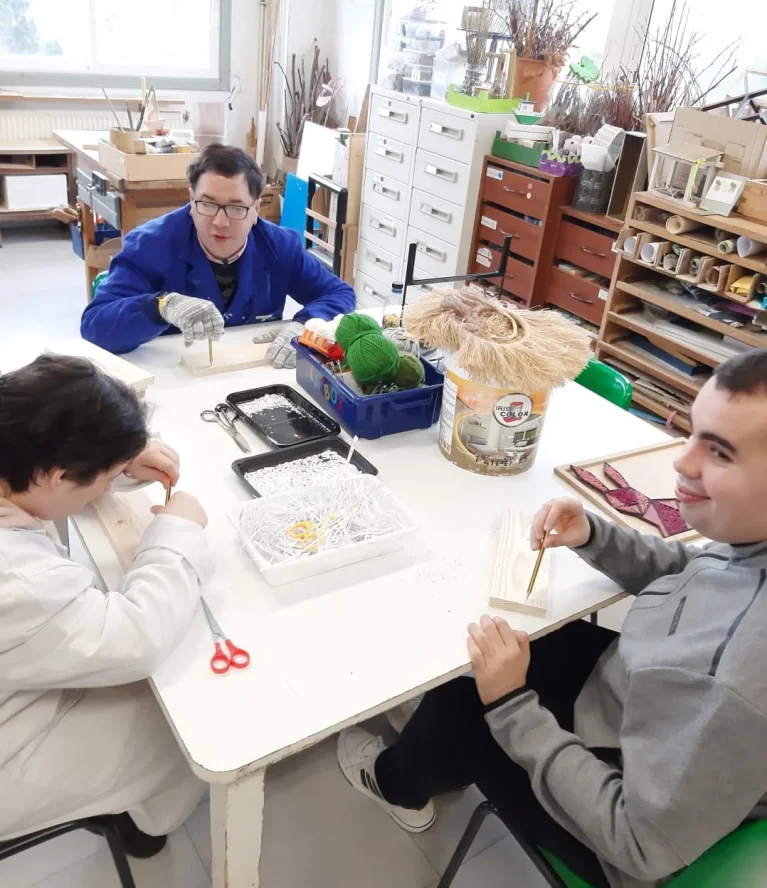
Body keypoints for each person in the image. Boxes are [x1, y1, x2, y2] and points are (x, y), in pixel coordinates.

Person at [337, 349, 767, 888]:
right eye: (693, 433)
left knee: (460, 704)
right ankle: (441, 745)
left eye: (720, 452)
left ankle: (395, 783)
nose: (683, 462)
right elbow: (697, 573)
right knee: (504, 649)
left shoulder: (738, 680)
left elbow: (638, 844)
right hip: (636, 703)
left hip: (618, 834)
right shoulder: (752, 543)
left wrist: (512, 707)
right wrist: (597, 536)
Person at [0, 354, 212, 854]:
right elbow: (135, 639)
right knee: (191, 724)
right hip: (11, 752)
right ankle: (145, 826)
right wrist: (176, 534)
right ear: (57, 474)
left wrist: (115, 454)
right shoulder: (18, 581)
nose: (111, 483)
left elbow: (45, 432)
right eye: (106, 475)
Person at [80, 143, 356, 366]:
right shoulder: (150, 246)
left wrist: (307, 325)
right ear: (191, 201)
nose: (220, 222)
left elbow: (339, 294)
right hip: (175, 378)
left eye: (236, 208)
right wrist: (160, 306)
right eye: (207, 204)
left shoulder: (279, 246)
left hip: (250, 373)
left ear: (256, 209)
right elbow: (95, 326)